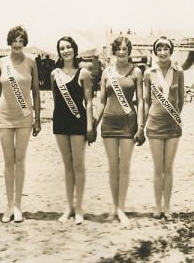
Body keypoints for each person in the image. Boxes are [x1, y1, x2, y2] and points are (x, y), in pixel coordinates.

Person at [94, 36, 145, 226]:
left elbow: (141, 102)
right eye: (119, 49)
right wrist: (93, 125)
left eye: (125, 49)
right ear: (114, 51)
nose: (122, 52)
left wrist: (141, 127)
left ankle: (122, 209)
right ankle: (114, 208)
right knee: (113, 167)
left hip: (128, 124)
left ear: (129, 51)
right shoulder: (106, 73)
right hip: (109, 123)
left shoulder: (136, 71)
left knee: (124, 168)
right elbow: (101, 101)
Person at [0, 26, 41, 223]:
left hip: (24, 117)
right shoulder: (2, 62)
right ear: (9, 41)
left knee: (19, 161)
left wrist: (37, 119)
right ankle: (9, 205)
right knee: (7, 162)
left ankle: (18, 206)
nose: (17, 43)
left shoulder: (31, 62)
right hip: (5, 116)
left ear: (25, 42)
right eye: (14, 39)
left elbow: (36, 92)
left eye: (21, 40)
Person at [51, 36, 95, 225]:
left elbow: (89, 101)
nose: (66, 50)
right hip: (60, 123)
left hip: (78, 122)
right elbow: (56, 100)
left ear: (74, 50)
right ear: (59, 52)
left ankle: (79, 208)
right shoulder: (55, 74)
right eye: (62, 48)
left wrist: (90, 126)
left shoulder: (83, 73)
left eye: (69, 47)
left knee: (78, 165)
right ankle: (68, 207)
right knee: (67, 166)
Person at [144, 36, 184, 220]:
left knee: (168, 168)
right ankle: (157, 207)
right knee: (157, 168)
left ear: (171, 50)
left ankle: (167, 207)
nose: (162, 52)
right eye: (159, 49)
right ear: (155, 51)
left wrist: (173, 115)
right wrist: (142, 123)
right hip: (154, 125)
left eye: (165, 48)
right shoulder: (148, 73)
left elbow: (181, 100)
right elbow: (145, 101)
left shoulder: (179, 71)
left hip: (173, 126)